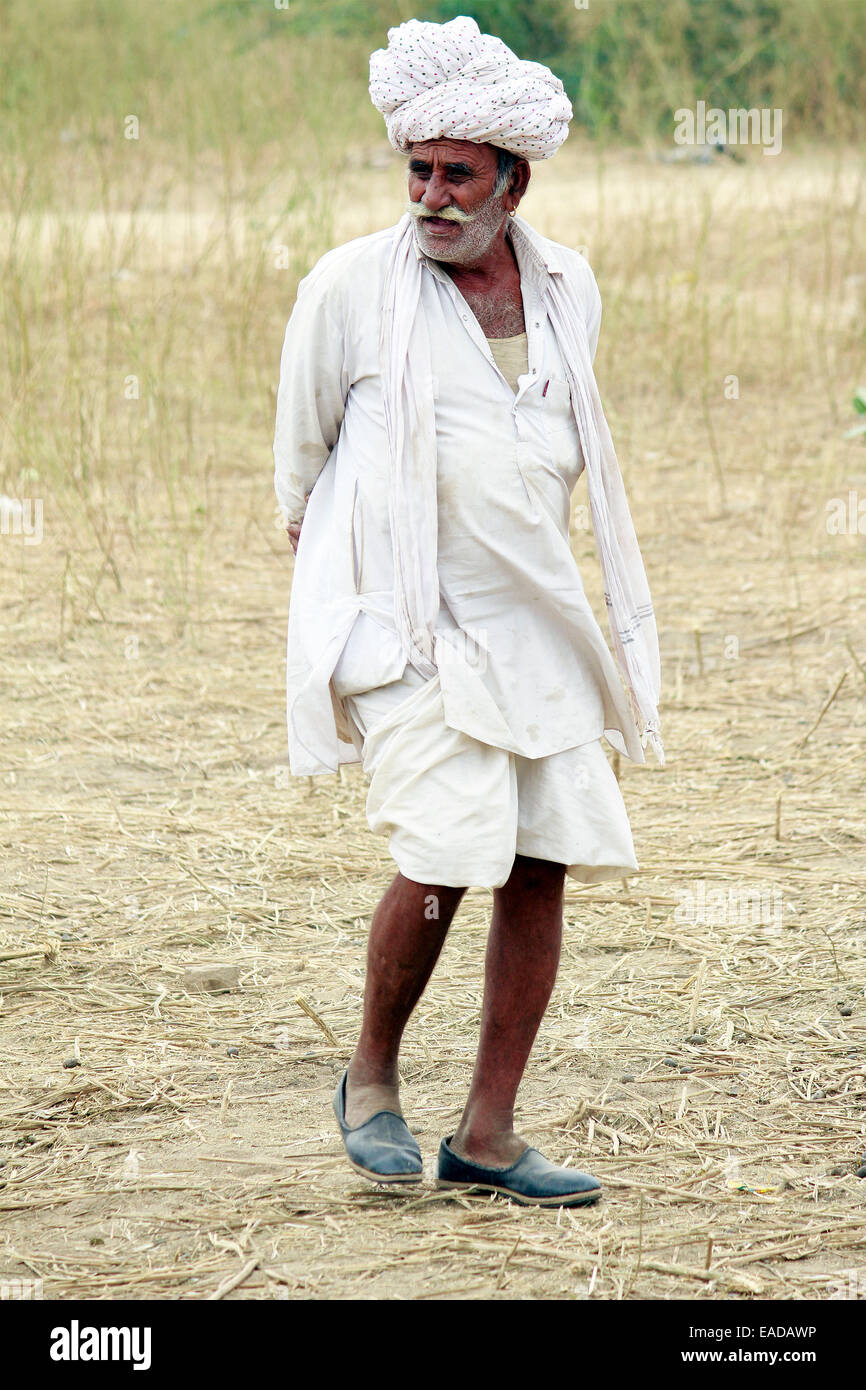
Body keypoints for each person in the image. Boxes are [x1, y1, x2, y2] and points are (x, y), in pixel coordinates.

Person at [273, 16, 662, 1207]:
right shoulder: (348, 285)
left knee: (537, 864)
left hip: (536, 620)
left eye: (455, 173)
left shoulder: (564, 286)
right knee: (445, 855)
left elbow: (552, 452)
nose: (430, 196)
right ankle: (371, 1078)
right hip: (408, 626)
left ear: (512, 179)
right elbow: (300, 469)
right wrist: (350, 599)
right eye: (416, 170)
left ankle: (486, 1134)